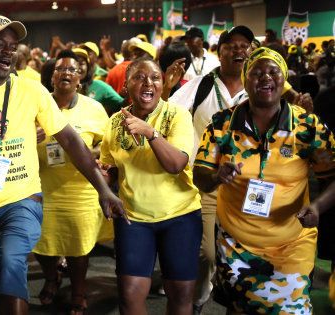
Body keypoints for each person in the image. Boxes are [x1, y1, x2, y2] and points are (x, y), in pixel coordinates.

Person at [0, 15, 123, 315]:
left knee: (12, 260)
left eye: (12, 46)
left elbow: (71, 140)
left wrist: (102, 188)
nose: (8, 51)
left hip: (22, 201)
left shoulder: (32, 90)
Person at [193, 47, 335, 314]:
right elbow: (200, 176)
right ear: (245, 80)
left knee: (291, 309)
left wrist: (318, 207)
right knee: (239, 307)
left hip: (290, 243)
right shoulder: (222, 124)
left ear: (283, 79)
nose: (265, 78)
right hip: (236, 243)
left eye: (273, 72)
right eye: (256, 72)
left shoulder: (307, 126)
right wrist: (216, 176)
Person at [99, 58, 202, 315]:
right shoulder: (114, 122)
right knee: (129, 295)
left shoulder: (177, 115)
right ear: (126, 86)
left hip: (180, 216)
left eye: (155, 77)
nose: (148, 82)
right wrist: (103, 178)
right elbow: (111, 169)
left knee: (180, 295)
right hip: (133, 218)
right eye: (139, 77)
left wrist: (151, 133)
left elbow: (176, 163)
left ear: (161, 84)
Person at [167, 25, 253, 312]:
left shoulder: (260, 88)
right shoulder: (201, 84)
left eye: (245, 45)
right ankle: (199, 298)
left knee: (246, 253)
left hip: (248, 187)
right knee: (206, 253)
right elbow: (168, 110)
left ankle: (233, 299)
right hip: (204, 182)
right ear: (220, 52)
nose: (239, 50)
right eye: (231, 45)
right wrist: (166, 88)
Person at [32, 50, 110, 314]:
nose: (65, 73)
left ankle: (78, 291)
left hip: (81, 190)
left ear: (81, 78)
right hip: (42, 187)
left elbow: (106, 146)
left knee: (79, 246)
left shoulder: (94, 109)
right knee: (41, 243)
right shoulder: (37, 106)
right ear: (51, 77)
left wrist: (94, 155)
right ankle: (52, 277)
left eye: (72, 70)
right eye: (60, 69)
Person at [73, 48, 124, 116]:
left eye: (81, 63)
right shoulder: (61, 90)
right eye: (74, 64)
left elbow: (122, 105)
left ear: (88, 67)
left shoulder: (100, 87)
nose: (77, 67)